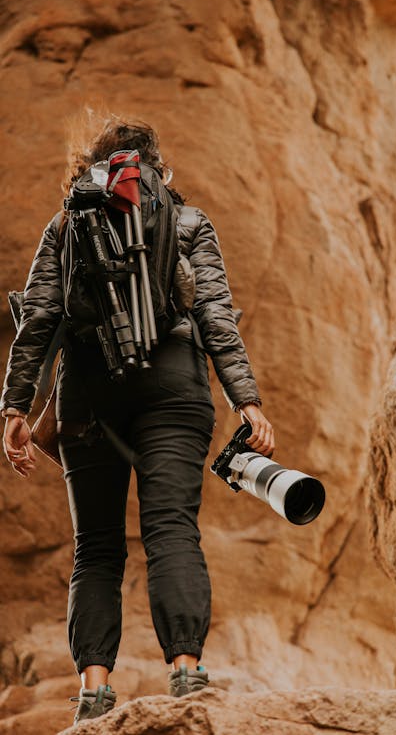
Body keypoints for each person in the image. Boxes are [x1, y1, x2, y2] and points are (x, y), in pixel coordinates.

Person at [1, 118, 274, 722]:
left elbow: (39, 319)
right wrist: (245, 399)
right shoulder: (186, 221)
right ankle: (185, 674)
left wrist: (16, 406)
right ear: (158, 168)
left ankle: (94, 692)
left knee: (95, 548)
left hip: (86, 392)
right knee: (172, 527)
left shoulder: (67, 224)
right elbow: (215, 316)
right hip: (175, 381)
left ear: (94, 165)